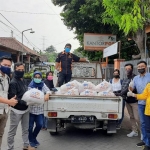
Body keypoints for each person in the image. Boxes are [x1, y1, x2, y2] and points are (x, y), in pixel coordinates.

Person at [7, 62, 29, 150]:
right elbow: (13, 97)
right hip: (16, 110)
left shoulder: (23, 80)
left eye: (22, 70)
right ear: (15, 70)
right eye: (19, 70)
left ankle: (26, 145)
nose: (21, 71)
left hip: (26, 109)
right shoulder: (13, 83)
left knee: (25, 129)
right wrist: (24, 102)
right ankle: (10, 148)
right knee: (12, 131)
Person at [129, 60, 150, 147]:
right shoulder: (136, 78)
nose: (140, 68)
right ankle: (145, 141)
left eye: (142, 66)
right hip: (141, 104)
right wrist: (130, 87)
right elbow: (131, 89)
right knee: (143, 123)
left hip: (149, 103)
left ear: (146, 67)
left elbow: (145, 94)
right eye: (139, 67)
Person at [28, 71, 50, 148]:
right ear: (33, 77)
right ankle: (30, 140)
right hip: (31, 110)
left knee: (39, 125)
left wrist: (47, 94)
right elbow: (29, 96)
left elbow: (47, 90)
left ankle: (33, 138)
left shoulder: (42, 84)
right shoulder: (30, 86)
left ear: (41, 78)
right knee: (30, 127)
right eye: (36, 77)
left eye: (39, 77)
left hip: (40, 110)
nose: (37, 78)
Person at [115, 63, 138, 135]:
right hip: (128, 101)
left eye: (129, 69)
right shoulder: (125, 78)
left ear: (132, 69)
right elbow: (123, 89)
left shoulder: (135, 78)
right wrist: (116, 92)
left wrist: (120, 94)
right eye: (126, 69)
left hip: (135, 101)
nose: (127, 70)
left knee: (137, 118)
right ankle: (134, 131)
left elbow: (129, 89)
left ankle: (143, 133)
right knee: (131, 117)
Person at [0, 56, 18, 149]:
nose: (6, 67)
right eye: (4, 65)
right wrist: (8, 101)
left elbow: (4, 93)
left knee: (0, 134)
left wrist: (10, 100)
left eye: (9, 65)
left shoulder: (7, 77)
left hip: (4, 111)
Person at [127, 83, 150, 150]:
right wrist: (134, 95)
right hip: (148, 111)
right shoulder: (149, 85)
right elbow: (144, 96)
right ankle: (148, 145)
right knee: (148, 129)